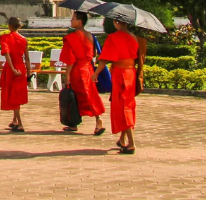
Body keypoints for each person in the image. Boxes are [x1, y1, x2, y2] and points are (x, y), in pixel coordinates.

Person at [97, 19, 145, 154]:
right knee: (127, 104)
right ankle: (123, 139)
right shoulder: (134, 37)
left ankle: (131, 143)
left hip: (120, 74)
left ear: (116, 22)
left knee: (123, 107)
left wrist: (96, 74)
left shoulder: (114, 37)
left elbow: (105, 59)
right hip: (131, 73)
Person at [60, 11, 106, 135]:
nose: (71, 21)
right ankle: (81, 122)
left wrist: (67, 76)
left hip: (77, 71)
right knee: (89, 95)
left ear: (80, 21)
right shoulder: (90, 36)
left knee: (78, 97)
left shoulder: (73, 37)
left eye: (73, 19)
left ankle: (96, 120)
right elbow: (94, 54)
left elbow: (70, 60)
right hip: (89, 70)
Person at [0, 16, 30, 131]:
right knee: (16, 94)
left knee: (14, 96)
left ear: (9, 26)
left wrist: (12, 70)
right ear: (20, 26)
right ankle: (15, 120)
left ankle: (20, 123)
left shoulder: (5, 38)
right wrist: (29, 74)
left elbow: (7, 55)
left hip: (12, 68)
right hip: (21, 67)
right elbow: (27, 58)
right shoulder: (24, 39)